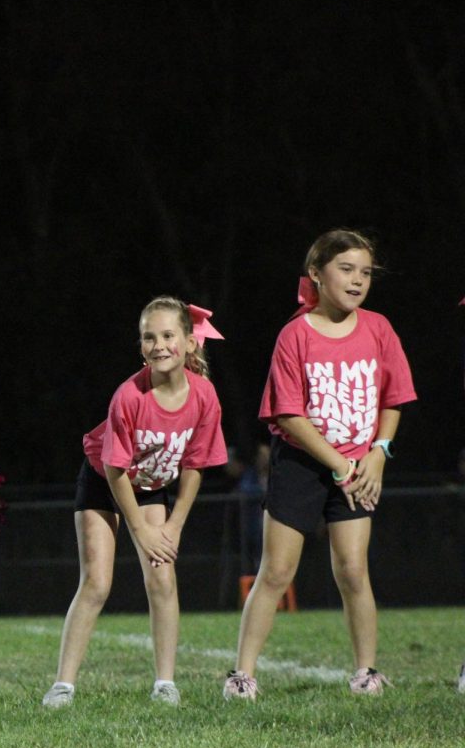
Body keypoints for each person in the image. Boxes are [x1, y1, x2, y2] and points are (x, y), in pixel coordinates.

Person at [225, 229, 416, 701]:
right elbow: (289, 413)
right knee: (276, 572)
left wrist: (379, 453)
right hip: (303, 465)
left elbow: (393, 398)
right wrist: (340, 465)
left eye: (365, 272)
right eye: (346, 269)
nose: (357, 281)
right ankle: (242, 675)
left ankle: (366, 671)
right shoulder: (295, 334)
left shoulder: (378, 328)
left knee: (353, 570)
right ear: (317, 274)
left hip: (358, 465)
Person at [43, 297, 227, 708]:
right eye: (149, 337)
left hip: (152, 485)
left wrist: (174, 525)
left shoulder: (204, 397)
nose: (159, 345)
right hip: (105, 482)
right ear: (140, 345)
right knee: (96, 582)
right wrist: (141, 530)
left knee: (162, 577)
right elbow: (114, 471)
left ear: (189, 342)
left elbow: (196, 465)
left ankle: (165, 683)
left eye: (168, 335)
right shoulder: (128, 396)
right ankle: (63, 686)